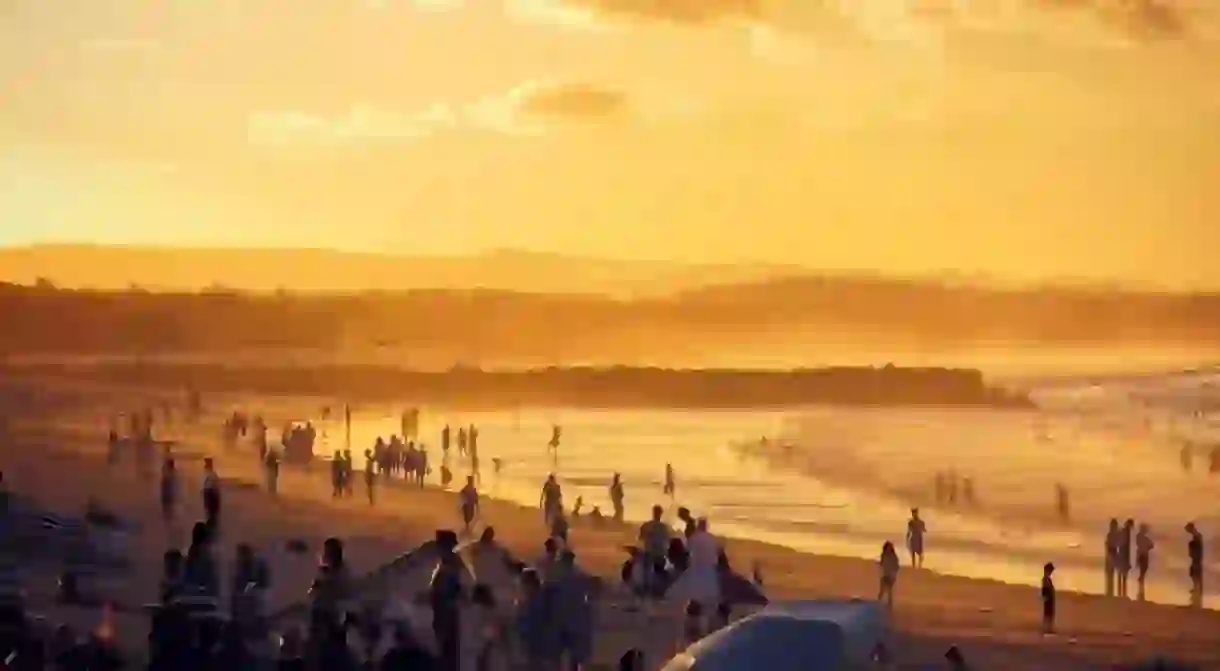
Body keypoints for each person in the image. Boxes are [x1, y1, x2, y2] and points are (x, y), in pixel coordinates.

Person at [638, 505, 671, 598]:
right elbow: (667, 539)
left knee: (647, 572)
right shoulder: (664, 527)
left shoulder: (646, 525)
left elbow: (640, 537)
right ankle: (658, 592)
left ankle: (646, 590)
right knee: (659, 572)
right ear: (661, 513)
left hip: (649, 551)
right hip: (659, 552)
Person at [1186, 522, 1204, 607]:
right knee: (1195, 577)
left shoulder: (1196, 537)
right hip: (1196, 560)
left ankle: (1196, 598)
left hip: (1196, 560)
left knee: (1195, 577)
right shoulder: (1197, 537)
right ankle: (1196, 597)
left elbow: (1197, 550)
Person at [878, 541, 900, 610]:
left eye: (890, 547)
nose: (889, 549)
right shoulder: (883, 555)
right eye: (888, 547)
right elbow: (882, 564)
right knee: (882, 590)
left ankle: (889, 604)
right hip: (885, 575)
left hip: (891, 575)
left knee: (889, 590)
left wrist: (894, 574)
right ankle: (879, 603)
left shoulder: (893, 556)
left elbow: (896, 566)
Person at [201, 457, 221, 532]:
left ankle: (211, 525)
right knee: (211, 511)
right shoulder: (212, 474)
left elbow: (205, 485)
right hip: (211, 493)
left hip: (210, 493)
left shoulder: (210, 474)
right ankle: (212, 525)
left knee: (210, 511)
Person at [1136, 523, 1154, 601]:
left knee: (1142, 573)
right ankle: (1141, 591)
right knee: (1142, 573)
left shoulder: (1139, 537)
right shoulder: (1142, 537)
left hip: (1141, 555)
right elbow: (1151, 545)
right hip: (1143, 556)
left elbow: (1151, 545)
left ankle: (1140, 590)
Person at [1118, 518, 1135, 598]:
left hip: (1123, 554)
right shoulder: (1126, 532)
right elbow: (1125, 546)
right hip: (1124, 554)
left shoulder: (1124, 531)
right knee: (1123, 574)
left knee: (1122, 574)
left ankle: (1121, 592)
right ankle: (1122, 592)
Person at [1104, 518, 1120, 597]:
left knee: (1110, 574)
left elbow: (1109, 545)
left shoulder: (1111, 534)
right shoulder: (1112, 535)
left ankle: (1110, 591)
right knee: (1110, 574)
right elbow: (1110, 546)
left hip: (1111, 555)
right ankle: (1110, 592)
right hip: (1111, 555)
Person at [159, 457, 178, 523]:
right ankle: (168, 516)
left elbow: (165, 481)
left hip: (167, 490)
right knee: (168, 504)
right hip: (169, 490)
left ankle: (167, 517)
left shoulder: (168, 472)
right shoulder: (172, 472)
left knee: (167, 504)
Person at [1041, 562, 1056, 634]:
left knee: (1049, 614)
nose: (1051, 572)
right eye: (1051, 571)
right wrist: (1045, 597)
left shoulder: (1047, 578)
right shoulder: (1045, 579)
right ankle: (1047, 629)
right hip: (1048, 598)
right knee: (1048, 614)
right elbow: (1045, 589)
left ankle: (1048, 628)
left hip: (1049, 598)